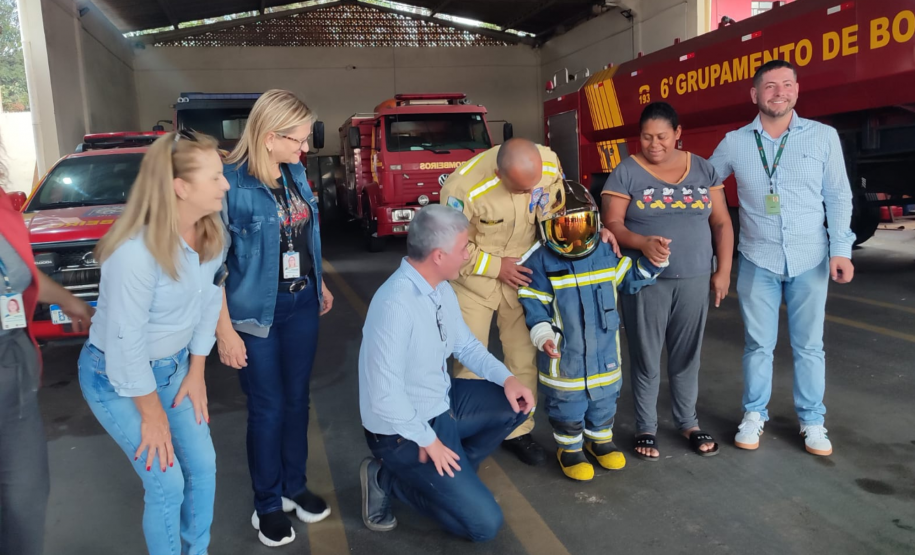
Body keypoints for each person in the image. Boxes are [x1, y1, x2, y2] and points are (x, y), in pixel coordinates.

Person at [77, 130, 228, 555]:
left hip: (174, 368)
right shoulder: (135, 254)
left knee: (203, 468)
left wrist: (196, 371)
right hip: (117, 378)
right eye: (215, 177)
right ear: (180, 187)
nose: (226, 184)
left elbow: (208, 302)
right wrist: (152, 414)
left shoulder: (211, 236)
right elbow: (126, 346)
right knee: (167, 482)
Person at [439, 138, 620, 466]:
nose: (529, 194)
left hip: (524, 276)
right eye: (521, 190)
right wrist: (496, 267)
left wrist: (596, 230)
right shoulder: (462, 187)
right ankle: (468, 435)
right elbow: (452, 247)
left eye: (532, 187)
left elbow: (564, 207)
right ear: (498, 173)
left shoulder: (549, 163)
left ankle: (517, 430)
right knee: (470, 362)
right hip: (475, 281)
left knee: (522, 358)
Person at [359, 204, 534, 541]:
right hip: (402, 431)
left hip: (441, 401)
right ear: (439, 256)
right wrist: (428, 441)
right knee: (483, 526)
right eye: (464, 248)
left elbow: (465, 346)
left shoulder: (439, 287)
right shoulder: (395, 305)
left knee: (518, 402)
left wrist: (508, 379)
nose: (468, 255)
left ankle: (452, 477)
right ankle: (387, 480)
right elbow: (384, 396)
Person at [709, 60, 855, 457]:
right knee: (758, 344)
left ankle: (812, 421)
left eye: (787, 85)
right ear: (755, 95)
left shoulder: (823, 137)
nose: (779, 92)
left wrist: (841, 249)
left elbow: (838, 195)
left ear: (797, 90)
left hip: (811, 257)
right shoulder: (736, 142)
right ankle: (754, 414)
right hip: (758, 258)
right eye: (769, 87)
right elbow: (704, 181)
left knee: (810, 346)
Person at [215, 89, 334, 547]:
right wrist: (225, 333)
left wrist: (317, 278)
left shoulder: (296, 172)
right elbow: (214, 267)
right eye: (298, 140)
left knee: (297, 400)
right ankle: (266, 504)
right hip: (253, 316)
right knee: (267, 408)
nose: (305, 149)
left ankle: (293, 487)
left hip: (301, 304)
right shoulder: (230, 184)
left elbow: (304, 235)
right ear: (269, 137)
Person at [602, 102, 732, 460]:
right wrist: (642, 243)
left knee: (687, 355)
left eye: (662, 136)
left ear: (677, 133)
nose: (654, 144)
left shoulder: (703, 168)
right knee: (646, 355)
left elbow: (720, 222)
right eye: (646, 137)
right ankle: (646, 426)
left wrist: (722, 271)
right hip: (646, 280)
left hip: (694, 277)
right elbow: (612, 225)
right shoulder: (626, 171)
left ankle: (688, 422)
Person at [519, 180, 667, 481]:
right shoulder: (539, 262)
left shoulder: (604, 252)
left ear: (595, 223)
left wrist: (654, 262)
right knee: (568, 407)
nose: (574, 238)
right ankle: (570, 449)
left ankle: (600, 440)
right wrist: (544, 337)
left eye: (581, 226)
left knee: (604, 401)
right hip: (566, 359)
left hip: (604, 356)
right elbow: (534, 307)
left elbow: (628, 277)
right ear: (547, 229)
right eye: (564, 229)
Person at [0, 174, 94, 555]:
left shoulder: (3, 206)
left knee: (24, 497)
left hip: (12, 362)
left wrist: (69, 300)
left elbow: (17, 272)